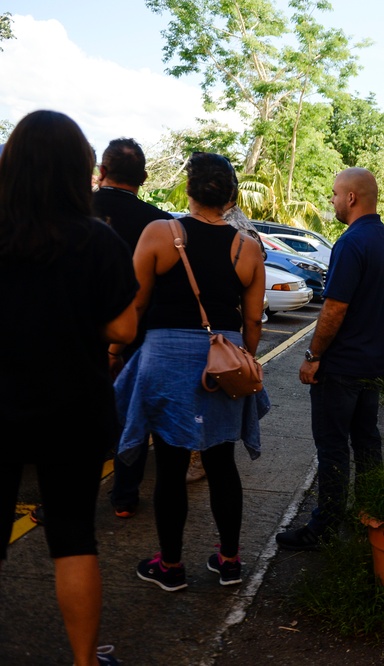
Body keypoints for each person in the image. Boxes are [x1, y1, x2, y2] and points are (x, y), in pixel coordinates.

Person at [0, 110, 137, 666]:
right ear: (80, 169)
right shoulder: (96, 240)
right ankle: (84, 661)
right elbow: (125, 328)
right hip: (72, 405)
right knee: (74, 536)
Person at [113, 152, 267, 591]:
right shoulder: (248, 247)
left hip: (165, 357)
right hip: (224, 358)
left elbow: (136, 302)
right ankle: (230, 561)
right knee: (222, 460)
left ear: (189, 190)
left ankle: (171, 566)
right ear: (232, 197)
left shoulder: (162, 233)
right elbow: (252, 321)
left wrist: (113, 348)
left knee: (171, 461)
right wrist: (242, 359)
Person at [275, 167, 384, 550]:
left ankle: (325, 527)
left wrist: (313, 355)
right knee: (367, 442)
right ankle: (371, 515)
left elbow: (334, 308)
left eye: (334, 194)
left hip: (342, 367)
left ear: (351, 198)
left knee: (332, 448)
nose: (331, 200)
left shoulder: (351, 243)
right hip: (374, 364)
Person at [94, 138, 179, 515]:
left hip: (77, 336)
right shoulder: (161, 224)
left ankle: (61, 501)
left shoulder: (78, 211)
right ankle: (124, 498)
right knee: (133, 419)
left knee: (77, 418)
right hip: (138, 336)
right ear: (144, 178)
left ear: (102, 172)